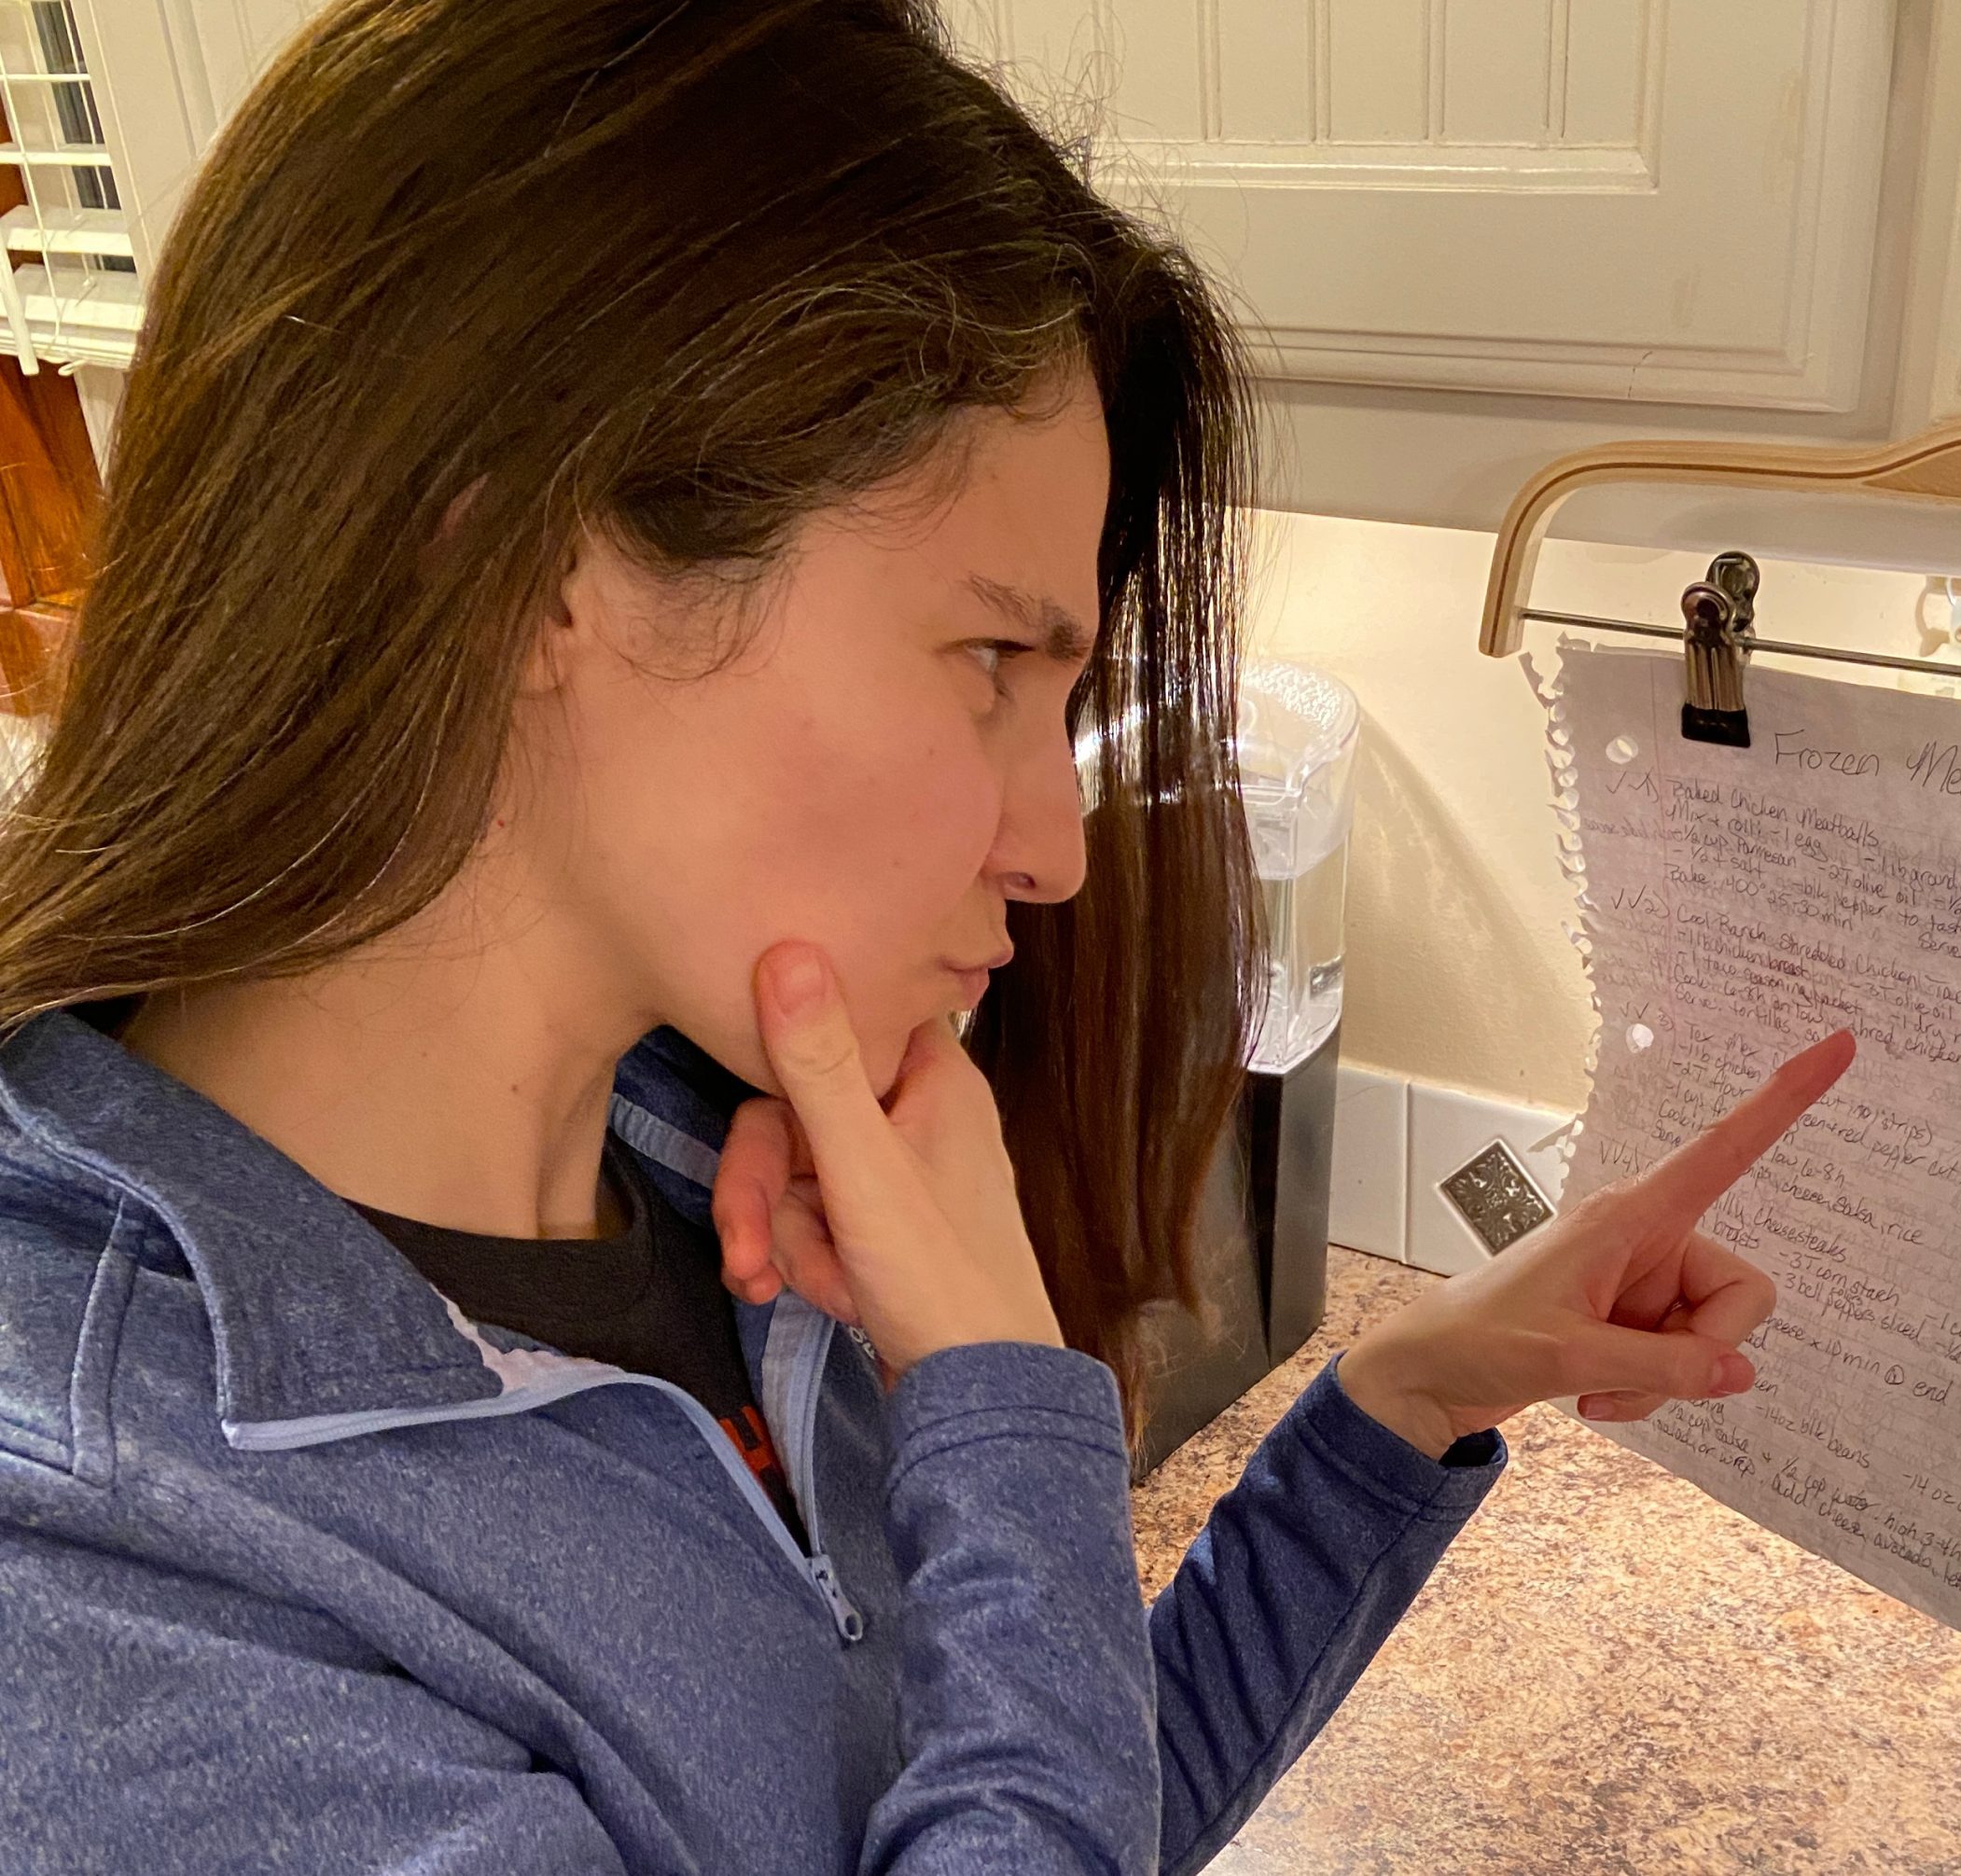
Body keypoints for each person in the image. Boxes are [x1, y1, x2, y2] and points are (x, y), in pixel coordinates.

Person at [0, 3, 1855, 1870]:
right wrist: (993, 1392)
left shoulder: (712, 1188)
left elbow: (1033, 1798)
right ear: (520, 575)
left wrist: (1401, 1397)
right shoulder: (99, 1589)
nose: (1051, 850)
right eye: (989, 660)